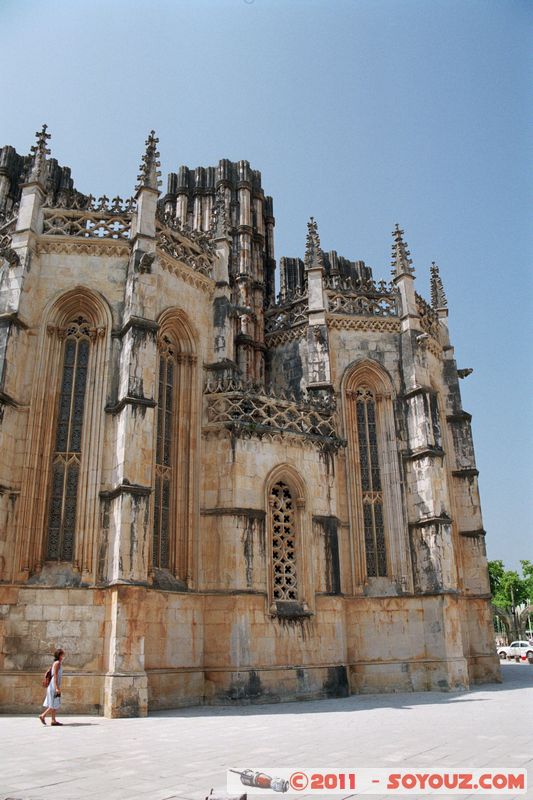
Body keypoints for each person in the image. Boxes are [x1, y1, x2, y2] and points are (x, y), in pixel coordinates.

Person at [39, 648, 64, 726]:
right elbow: (55, 676)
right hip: (54, 685)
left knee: (55, 702)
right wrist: (56, 687)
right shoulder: (57, 663)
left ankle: (53, 720)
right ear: (59, 655)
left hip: (54, 685)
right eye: (62, 654)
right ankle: (43, 715)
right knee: (53, 703)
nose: (63, 656)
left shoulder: (57, 663)